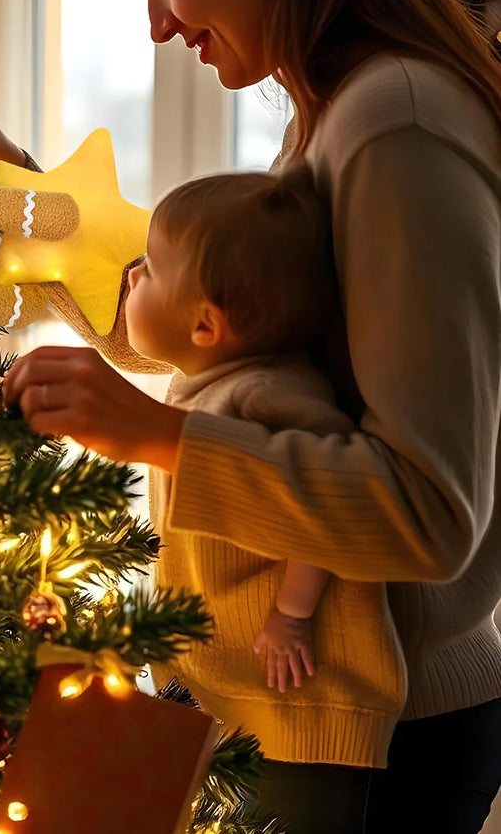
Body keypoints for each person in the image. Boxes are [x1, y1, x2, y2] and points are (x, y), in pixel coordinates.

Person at [0, 0, 501, 833]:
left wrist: (159, 434)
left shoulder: (394, 124)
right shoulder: (333, 112)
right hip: (326, 709)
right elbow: (197, 298)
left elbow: (427, 512)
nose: (157, 22)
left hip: (380, 735)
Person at [129, 165, 403, 800]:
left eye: (148, 264)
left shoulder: (267, 395)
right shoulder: (204, 385)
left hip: (294, 694)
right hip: (222, 679)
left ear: (205, 325)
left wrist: (292, 612)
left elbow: (323, 508)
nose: (131, 275)